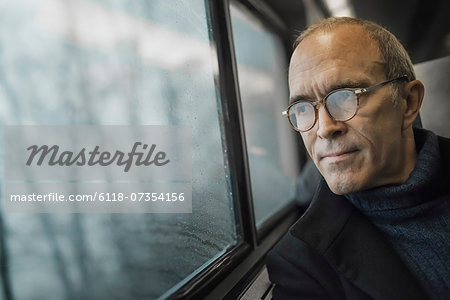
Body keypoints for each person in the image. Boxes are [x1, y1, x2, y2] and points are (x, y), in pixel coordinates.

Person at [266, 17, 450, 300]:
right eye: (302, 108)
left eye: (345, 96)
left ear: (408, 102)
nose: (325, 128)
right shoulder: (301, 264)